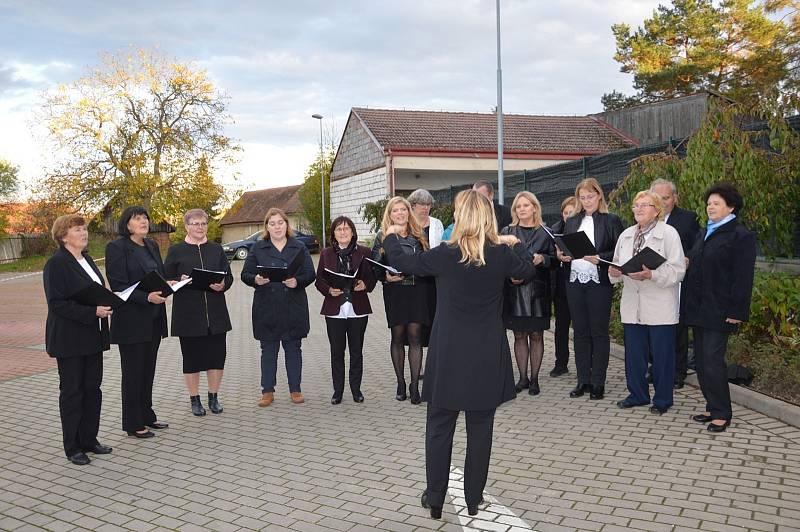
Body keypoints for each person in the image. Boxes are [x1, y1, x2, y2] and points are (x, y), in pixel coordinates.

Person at [382, 190, 535, 519]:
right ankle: (472, 498)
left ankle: (435, 498)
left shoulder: (445, 254)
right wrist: (513, 241)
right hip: (486, 351)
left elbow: (403, 262)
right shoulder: (499, 254)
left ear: (461, 216)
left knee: (439, 426)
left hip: (449, 350)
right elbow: (528, 269)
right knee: (481, 429)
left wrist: (392, 236)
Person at [684, 182, 756, 433]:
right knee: (701, 361)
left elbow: (743, 277)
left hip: (721, 310)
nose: (710, 207)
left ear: (731, 207)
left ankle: (722, 412)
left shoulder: (740, 236)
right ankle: (711, 405)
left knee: (713, 360)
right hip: (699, 308)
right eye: (708, 203)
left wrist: (737, 312)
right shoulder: (704, 232)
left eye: (716, 203)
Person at [43, 214, 113, 465]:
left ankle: (89, 439)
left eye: (84, 229)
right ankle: (72, 446)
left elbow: (95, 292)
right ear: (63, 236)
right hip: (69, 339)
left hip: (92, 336)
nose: (84, 233)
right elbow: (57, 304)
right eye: (77, 229)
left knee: (93, 390)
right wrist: (92, 311)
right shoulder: (56, 264)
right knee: (72, 392)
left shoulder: (89, 261)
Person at [609, 191, 685, 415]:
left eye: (645, 205)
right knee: (634, 355)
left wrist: (652, 275)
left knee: (662, 356)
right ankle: (637, 394)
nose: (639, 209)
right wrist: (614, 272)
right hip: (633, 303)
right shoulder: (626, 235)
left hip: (660, 303)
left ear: (657, 209)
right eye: (636, 205)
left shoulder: (669, 234)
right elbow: (616, 265)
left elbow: (678, 270)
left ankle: (662, 400)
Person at [105, 206, 170, 438]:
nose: (143, 221)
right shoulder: (116, 248)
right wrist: (147, 297)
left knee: (148, 370)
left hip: (153, 319)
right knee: (133, 373)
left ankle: (147, 415)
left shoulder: (152, 245)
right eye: (137, 218)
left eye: (145, 217)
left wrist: (170, 283)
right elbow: (118, 285)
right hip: (132, 320)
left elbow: (157, 276)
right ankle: (133, 423)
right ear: (127, 224)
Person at [557, 177, 624, 400]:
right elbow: (566, 246)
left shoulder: (611, 220)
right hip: (575, 280)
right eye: (582, 197)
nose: (586, 201)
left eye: (590, 196)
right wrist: (562, 255)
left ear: (599, 196)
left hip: (598, 282)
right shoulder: (573, 221)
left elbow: (618, 251)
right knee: (580, 332)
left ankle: (598, 382)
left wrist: (600, 258)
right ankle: (582, 380)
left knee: (599, 332)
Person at [241, 208, 315, 407]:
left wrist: (297, 282)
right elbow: (245, 274)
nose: (277, 227)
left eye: (280, 223)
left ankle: (295, 389)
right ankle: (267, 391)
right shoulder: (258, 248)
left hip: (293, 304)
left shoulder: (299, 247)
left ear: (286, 224)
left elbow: (310, 273)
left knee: (293, 349)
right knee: (268, 350)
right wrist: (256, 279)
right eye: (272, 223)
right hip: (267, 306)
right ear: (267, 227)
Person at [164, 209, 234, 416]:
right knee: (192, 359)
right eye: (195, 223)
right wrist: (177, 281)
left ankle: (213, 397)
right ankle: (194, 399)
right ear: (186, 226)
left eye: (203, 223)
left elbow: (228, 276)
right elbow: (166, 279)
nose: (200, 227)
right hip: (188, 314)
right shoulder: (176, 250)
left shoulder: (216, 249)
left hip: (216, 312)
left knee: (216, 357)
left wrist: (223, 285)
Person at [371, 196, 434, 404]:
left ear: (409, 212)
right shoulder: (383, 236)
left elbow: (427, 263)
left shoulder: (419, 235)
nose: (400, 213)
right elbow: (375, 265)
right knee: (398, 336)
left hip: (418, 290)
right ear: (389, 215)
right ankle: (400, 382)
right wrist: (385, 277)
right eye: (395, 211)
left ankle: (415, 385)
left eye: (403, 210)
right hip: (395, 291)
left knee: (415, 336)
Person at [315, 216, 378, 404]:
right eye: (339, 229)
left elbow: (373, 277)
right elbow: (319, 280)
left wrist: (365, 285)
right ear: (333, 234)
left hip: (358, 308)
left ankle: (356, 389)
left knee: (356, 351)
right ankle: (338, 391)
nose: (343, 232)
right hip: (334, 309)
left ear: (352, 232)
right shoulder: (326, 254)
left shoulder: (365, 252)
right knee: (337, 351)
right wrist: (328, 290)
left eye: (346, 228)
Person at [501, 191, 555, 395]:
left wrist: (544, 259)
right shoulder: (507, 231)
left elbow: (556, 260)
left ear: (534, 207)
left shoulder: (546, 231)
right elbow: (500, 258)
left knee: (536, 335)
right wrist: (508, 276)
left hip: (538, 291)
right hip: (514, 290)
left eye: (525, 205)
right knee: (519, 335)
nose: (521, 209)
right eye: (518, 206)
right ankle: (522, 378)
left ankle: (534, 379)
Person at [650, 178, 700, 388]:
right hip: (652, 281)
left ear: (675, 198)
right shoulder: (647, 219)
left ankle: (678, 372)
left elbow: (698, 244)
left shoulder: (687, 218)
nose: (662, 202)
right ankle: (657, 368)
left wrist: (688, 258)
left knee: (677, 327)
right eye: (658, 198)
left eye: (667, 198)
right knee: (654, 327)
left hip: (676, 282)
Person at [549, 196, 578, 377]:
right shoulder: (554, 231)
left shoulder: (584, 229)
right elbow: (550, 256)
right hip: (561, 284)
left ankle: (585, 363)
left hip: (579, 282)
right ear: (562, 214)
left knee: (582, 326)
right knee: (561, 325)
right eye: (566, 213)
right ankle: (561, 363)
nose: (569, 216)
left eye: (573, 213)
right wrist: (558, 256)